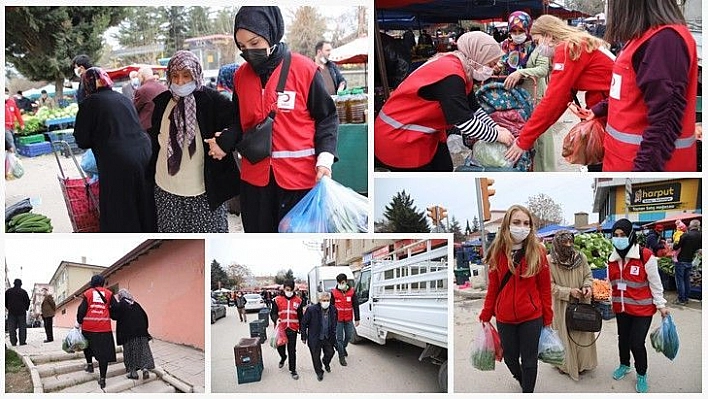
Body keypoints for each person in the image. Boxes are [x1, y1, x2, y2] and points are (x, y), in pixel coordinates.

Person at [206, 6, 338, 233]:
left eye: (255, 43)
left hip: (299, 181)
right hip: (255, 184)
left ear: (272, 33)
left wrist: (324, 159)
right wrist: (225, 141)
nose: (248, 51)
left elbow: (327, 117)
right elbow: (239, 120)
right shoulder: (240, 77)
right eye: (242, 46)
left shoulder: (304, 69)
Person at [374, 31, 515, 172]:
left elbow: (474, 108)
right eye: (489, 64)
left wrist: (495, 126)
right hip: (399, 137)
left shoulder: (464, 70)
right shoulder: (451, 75)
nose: (491, 69)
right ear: (477, 57)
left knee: (445, 169)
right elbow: (465, 123)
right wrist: (497, 136)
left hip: (423, 134)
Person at [593, 0, 698, 171]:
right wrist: (598, 110)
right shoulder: (644, 38)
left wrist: (640, 177)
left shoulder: (664, 40)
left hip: (642, 167)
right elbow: (631, 92)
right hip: (622, 164)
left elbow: (665, 121)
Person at [504, 15, 614, 170]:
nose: (537, 48)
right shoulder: (578, 43)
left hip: (609, 111)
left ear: (548, 36)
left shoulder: (567, 48)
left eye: (537, 42)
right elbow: (562, 98)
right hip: (608, 107)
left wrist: (523, 140)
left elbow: (553, 100)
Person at [149, 50, 239, 233]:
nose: (180, 82)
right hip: (167, 190)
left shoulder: (213, 102)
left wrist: (225, 141)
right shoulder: (162, 103)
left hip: (204, 193)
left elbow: (238, 124)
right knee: (173, 246)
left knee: (209, 241)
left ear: (196, 74)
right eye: (175, 76)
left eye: (186, 75)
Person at [478, 205, 552, 393]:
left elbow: (544, 287)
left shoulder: (538, 252)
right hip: (505, 318)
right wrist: (486, 313)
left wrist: (548, 317)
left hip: (531, 317)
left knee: (529, 361)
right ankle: (522, 380)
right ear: (507, 225)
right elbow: (493, 287)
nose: (522, 227)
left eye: (526, 223)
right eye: (517, 222)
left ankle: (528, 390)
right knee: (510, 358)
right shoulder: (498, 252)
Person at [73, 67, 156, 233]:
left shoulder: (89, 103)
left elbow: (82, 140)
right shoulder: (122, 98)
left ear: (87, 85)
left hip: (118, 161)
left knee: (121, 207)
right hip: (144, 153)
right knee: (145, 201)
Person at [607, 218, 669, 393]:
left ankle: (641, 373)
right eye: (616, 235)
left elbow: (655, 283)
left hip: (642, 310)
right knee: (623, 340)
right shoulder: (611, 258)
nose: (618, 238)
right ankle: (624, 365)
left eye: (623, 235)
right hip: (622, 309)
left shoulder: (645, 255)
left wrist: (661, 304)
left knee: (636, 342)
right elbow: (610, 282)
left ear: (631, 235)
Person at [496, 11, 554, 171]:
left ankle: (544, 172)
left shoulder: (539, 46)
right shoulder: (506, 47)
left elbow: (543, 69)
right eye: (513, 31)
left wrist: (521, 72)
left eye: (520, 31)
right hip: (516, 101)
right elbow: (501, 65)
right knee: (519, 136)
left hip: (536, 98)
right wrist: (498, 67)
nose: (517, 35)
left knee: (540, 138)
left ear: (528, 29)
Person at [548, 230, 597, 381]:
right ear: (557, 243)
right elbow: (548, 285)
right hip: (562, 305)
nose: (568, 245)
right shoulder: (549, 261)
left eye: (570, 242)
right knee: (564, 335)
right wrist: (568, 292)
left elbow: (588, 276)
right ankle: (564, 366)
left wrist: (587, 287)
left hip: (581, 302)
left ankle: (582, 365)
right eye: (564, 242)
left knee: (582, 334)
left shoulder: (580, 257)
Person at [76, 275, 118, 390]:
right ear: (103, 282)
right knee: (103, 354)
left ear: (92, 282)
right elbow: (116, 308)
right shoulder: (109, 293)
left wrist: (79, 322)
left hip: (88, 328)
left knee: (87, 348)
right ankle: (103, 378)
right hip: (104, 328)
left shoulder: (88, 293)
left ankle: (90, 366)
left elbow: (81, 310)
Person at [112, 288, 155, 381]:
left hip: (128, 335)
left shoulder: (121, 304)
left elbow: (114, 316)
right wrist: (144, 329)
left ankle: (133, 373)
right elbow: (145, 316)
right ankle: (145, 369)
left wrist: (110, 306)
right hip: (141, 333)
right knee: (143, 352)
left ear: (120, 296)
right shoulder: (136, 304)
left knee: (130, 353)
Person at [270, 279, 303, 380]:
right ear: (284, 289)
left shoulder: (298, 301)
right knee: (280, 348)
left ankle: (293, 370)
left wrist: (302, 329)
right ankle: (283, 357)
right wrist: (276, 318)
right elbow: (273, 313)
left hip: (292, 329)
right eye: (286, 289)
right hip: (281, 329)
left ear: (293, 289)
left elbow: (301, 316)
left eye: (290, 290)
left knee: (292, 350)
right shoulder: (277, 300)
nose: (288, 291)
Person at [300, 291, 337, 381]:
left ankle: (325, 361)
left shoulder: (333, 309)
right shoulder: (312, 310)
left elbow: (335, 321)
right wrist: (304, 336)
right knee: (316, 357)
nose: (326, 302)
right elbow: (304, 323)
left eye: (327, 300)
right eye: (324, 300)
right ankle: (319, 372)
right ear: (320, 300)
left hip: (327, 337)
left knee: (331, 352)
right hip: (315, 338)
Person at [331, 273, 359, 366]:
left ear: (346, 282)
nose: (340, 284)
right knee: (339, 339)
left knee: (348, 336)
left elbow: (355, 305)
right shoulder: (334, 292)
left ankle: (343, 348)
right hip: (338, 320)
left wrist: (357, 318)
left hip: (348, 319)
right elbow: (331, 307)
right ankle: (341, 357)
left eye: (342, 282)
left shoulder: (352, 292)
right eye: (339, 282)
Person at [672, 219, 701, 305]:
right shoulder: (701, 235)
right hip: (690, 260)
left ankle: (681, 299)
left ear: (690, 226)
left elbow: (676, 247)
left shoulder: (686, 235)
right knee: (686, 280)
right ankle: (686, 298)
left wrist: (674, 244)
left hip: (681, 260)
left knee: (680, 280)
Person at [133, 67, 164, 131]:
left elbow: (134, 109)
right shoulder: (163, 87)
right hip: (162, 125)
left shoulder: (142, 90)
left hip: (147, 128)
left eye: (138, 76)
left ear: (142, 76)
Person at [5, 278, 30, 346]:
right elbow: (27, 301)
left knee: (12, 328)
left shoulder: (8, 292)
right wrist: (26, 308)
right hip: (21, 312)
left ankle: (13, 342)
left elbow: (5, 302)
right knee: (22, 328)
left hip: (12, 312)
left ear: (14, 283)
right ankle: (22, 342)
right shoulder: (24, 292)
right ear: (21, 284)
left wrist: (9, 307)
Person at [5, 88, 24, 153]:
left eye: (7, 93)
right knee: (10, 141)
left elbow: (17, 113)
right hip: (5, 126)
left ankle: (11, 156)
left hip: (12, 126)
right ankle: (15, 156)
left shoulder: (12, 102)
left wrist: (21, 124)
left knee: (12, 140)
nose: (6, 95)